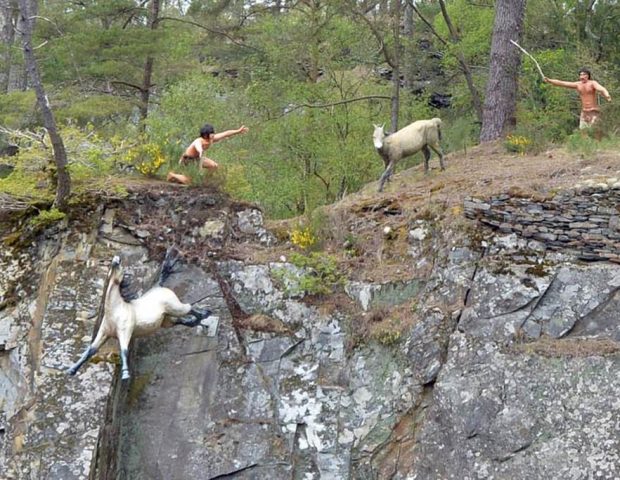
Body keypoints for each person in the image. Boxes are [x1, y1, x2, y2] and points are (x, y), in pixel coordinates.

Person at [167, 123, 249, 185]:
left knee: (214, 166)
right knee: (191, 182)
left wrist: (238, 131)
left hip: (198, 158)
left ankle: (205, 181)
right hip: (188, 159)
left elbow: (226, 133)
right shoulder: (199, 140)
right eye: (211, 133)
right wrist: (200, 153)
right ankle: (172, 175)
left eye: (213, 133)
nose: (213, 134)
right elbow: (198, 146)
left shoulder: (212, 139)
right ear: (206, 134)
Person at [543, 69, 612, 131]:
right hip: (584, 112)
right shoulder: (578, 84)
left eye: (584, 74)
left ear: (588, 76)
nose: (582, 76)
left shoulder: (592, 83)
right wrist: (549, 80)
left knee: (594, 131)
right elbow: (563, 83)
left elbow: (601, 89)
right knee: (583, 131)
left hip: (593, 111)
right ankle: (585, 144)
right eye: (580, 75)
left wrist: (607, 95)